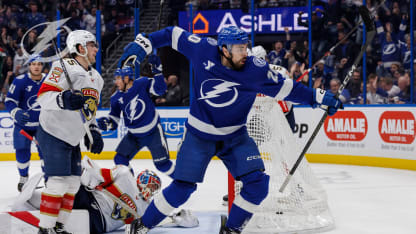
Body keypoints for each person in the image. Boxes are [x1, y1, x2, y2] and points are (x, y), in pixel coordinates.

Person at [118, 26, 342, 234]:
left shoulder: (256, 70)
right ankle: (142, 225)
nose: (245, 52)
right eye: (239, 48)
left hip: (235, 136)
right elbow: (172, 33)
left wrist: (317, 97)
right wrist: (145, 42)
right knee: (182, 189)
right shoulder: (202, 49)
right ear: (224, 50)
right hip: (198, 136)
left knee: (258, 185)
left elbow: (286, 88)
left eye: (245, 46)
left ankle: (231, 230)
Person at [12, 157, 199, 234]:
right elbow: (98, 174)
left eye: (154, 187)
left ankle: (35, 213)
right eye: (149, 183)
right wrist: (90, 176)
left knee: (66, 217)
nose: (149, 189)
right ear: (140, 179)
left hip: (98, 223)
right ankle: (31, 201)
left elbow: (177, 220)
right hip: (90, 198)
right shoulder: (125, 175)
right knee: (67, 188)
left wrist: (179, 218)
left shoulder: (149, 209)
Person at [35, 30, 104, 234]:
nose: (96, 49)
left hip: (73, 137)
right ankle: (45, 229)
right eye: (92, 45)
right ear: (80, 48)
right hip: (53, 132)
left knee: (73, 184)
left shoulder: (97, 78)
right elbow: (43, 96)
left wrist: (94, 130)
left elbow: (90, 112)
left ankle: (58, 227)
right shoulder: (62, 67)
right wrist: (63, 99)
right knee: (57, 182)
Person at [97, 60, 175, 178]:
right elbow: (114, 120)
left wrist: (158, 73)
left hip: (153, 132)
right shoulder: (116, 97)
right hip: (134, 136)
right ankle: (132, 188)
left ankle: (182, 182)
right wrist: (107, 123)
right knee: (120, 159)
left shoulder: (142, 83)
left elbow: (160, 90)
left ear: (127, 78)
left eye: (118, 78)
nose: (116, 81)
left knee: (162, 165)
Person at [5, 54, 45, 191]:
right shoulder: (20, 81)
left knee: (47, 153)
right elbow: (9, 101)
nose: (36, 66)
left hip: (43, 126)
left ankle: (49, 178)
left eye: (39, 64)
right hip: (22, 126)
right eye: (34, 64)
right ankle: (23, 178)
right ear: (29, 66)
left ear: (42, 66)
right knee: (22, 151)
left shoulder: (49, 81)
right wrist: (16, 112)